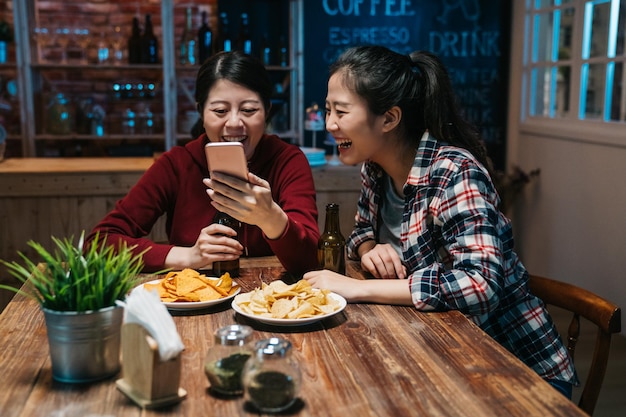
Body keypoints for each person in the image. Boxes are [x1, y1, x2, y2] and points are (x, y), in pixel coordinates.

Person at [304, 45, 577, 397]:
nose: (329, 125)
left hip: (516, 370)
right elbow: (360, 233)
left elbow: (480, 285)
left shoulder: (453, 171)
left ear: (388, 118)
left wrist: (358, 288)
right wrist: (373, 248)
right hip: (438, 350)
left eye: (340, 112)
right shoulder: (374, 166)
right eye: (328, 110)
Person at [88, 51, 319, 274]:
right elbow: (98, 244)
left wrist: (270, 218)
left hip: (271, 302)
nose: (234, 123)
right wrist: (187, 256)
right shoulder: (177, 164)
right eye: (220, 110)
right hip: (195, 301)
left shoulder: (287, 160)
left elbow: (310, 258)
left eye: (249, 110)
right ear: (201, 112)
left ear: (267, 111)